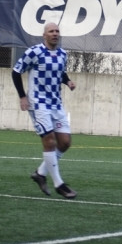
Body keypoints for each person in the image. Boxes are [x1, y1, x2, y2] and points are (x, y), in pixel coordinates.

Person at [12, 22, 78, 199]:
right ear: (44, 35)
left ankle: (40, 173)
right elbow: (16, 71)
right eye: (51, 31)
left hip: (56, 104)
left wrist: (68, 81)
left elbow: (60, 73)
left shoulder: (63, 54)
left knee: (64, 143)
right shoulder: (34, 52)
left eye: (57, 31)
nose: (55, 34)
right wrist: (22, 96)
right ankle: (59, 184)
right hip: (38, 104)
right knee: (49, 141)